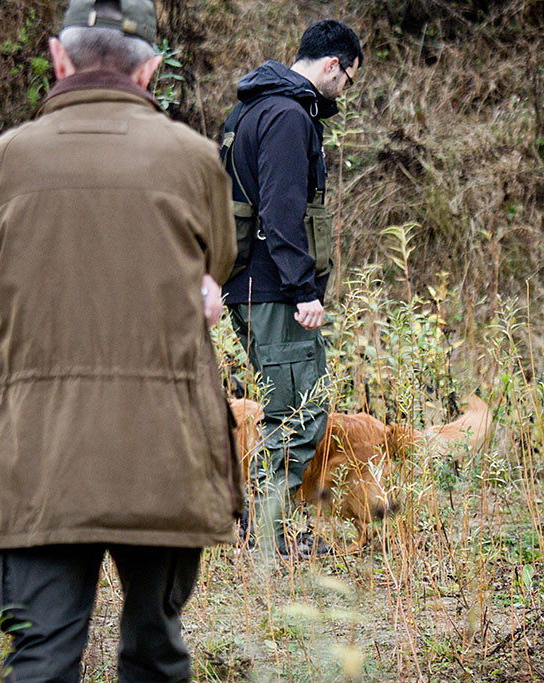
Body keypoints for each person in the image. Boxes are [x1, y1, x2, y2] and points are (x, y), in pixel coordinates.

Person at [0, 1, 241, 681]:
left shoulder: (3, 161)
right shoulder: (196, 158)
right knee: (156, 652)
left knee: (41, 657)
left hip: (36, 456)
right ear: (149, 69)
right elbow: (219, 268)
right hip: (164, 449)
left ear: (59, 58)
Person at [222, 19, 363, 559]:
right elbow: (282, 209)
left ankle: (267, 529)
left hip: (251, 285)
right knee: (301, 410)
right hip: (277, 290)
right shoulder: (285, 116)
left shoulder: (253, 107)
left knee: (288, 406)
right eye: (348, 78)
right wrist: (304, 289)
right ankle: (266, 535)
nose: (344, 91)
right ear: (332, 65)